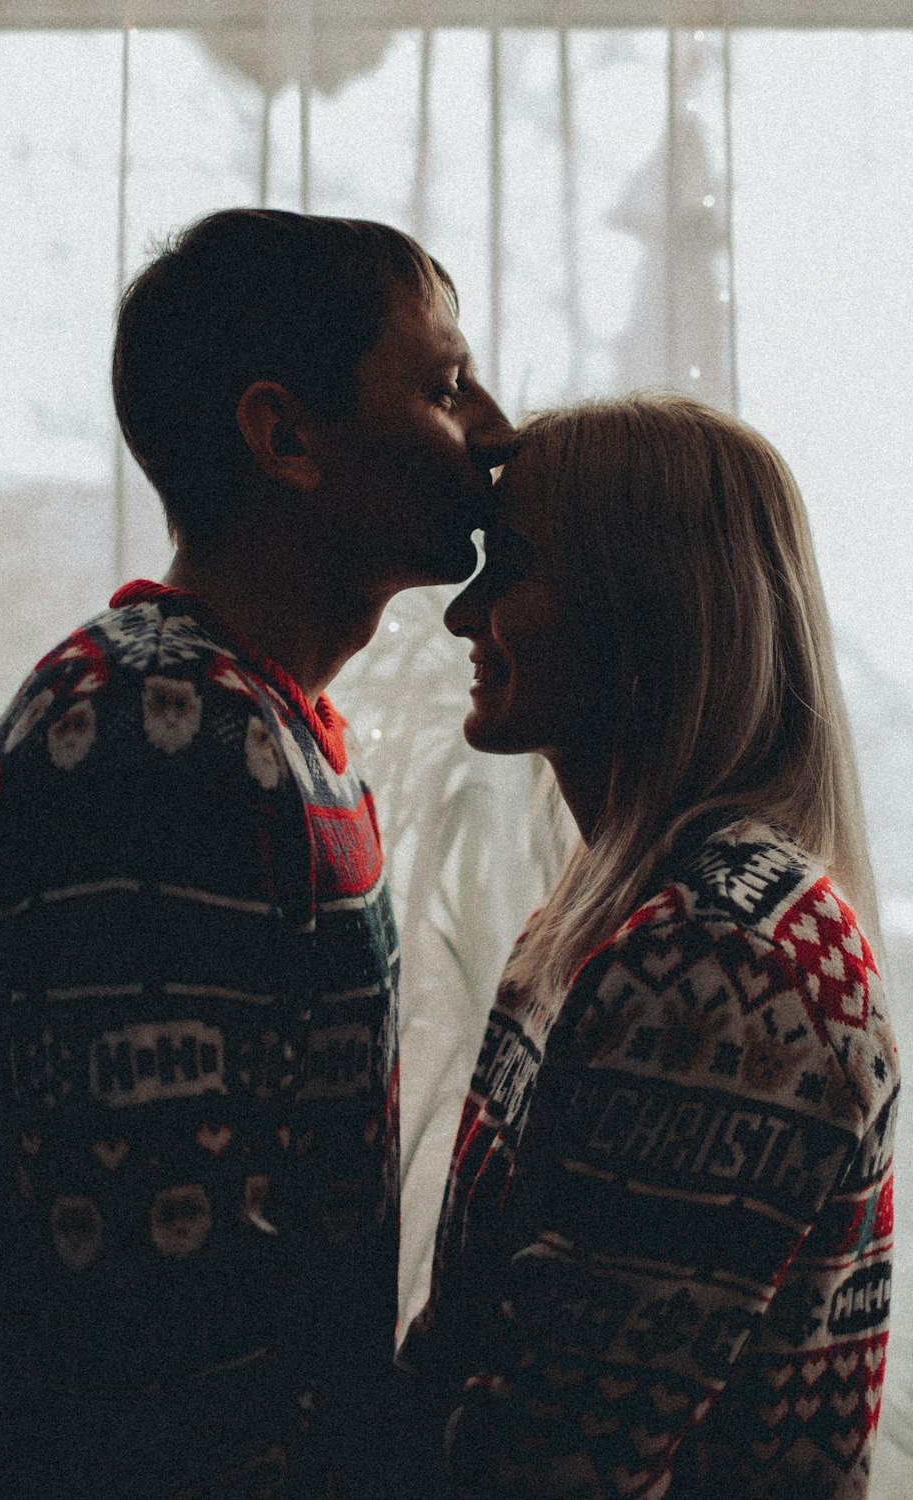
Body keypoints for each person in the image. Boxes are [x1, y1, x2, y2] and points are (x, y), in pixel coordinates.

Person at [0, 208, 513, 1499]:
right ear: (285, 437)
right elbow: (150, 1337)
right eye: (446, 384)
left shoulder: (247, 723)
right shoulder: (157, 750)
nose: (498, 432)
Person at [399, 395, 899, 1499]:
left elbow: (555, 1463)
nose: (460, 613)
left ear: (647, 610)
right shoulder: (621, 914)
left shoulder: (721, 963)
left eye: (511, 566)